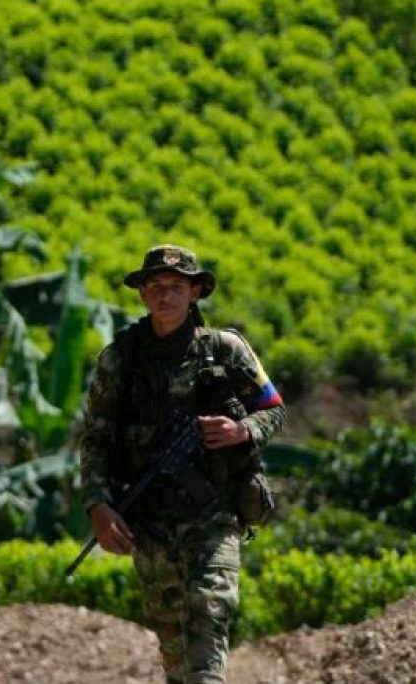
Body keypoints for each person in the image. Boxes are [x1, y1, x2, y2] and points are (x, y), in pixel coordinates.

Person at [80, 244, 286, 684]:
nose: (165, 295)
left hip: (213, 513)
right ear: (142, 294)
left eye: (176, 287)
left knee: (209, 613)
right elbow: (95, 438)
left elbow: (273, 409)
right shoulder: (120, 359)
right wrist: (98, 504)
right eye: (155, 286)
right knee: (173, 646)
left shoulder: (227, 349)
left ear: (195, 292)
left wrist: (241, 431)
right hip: (149, 523)